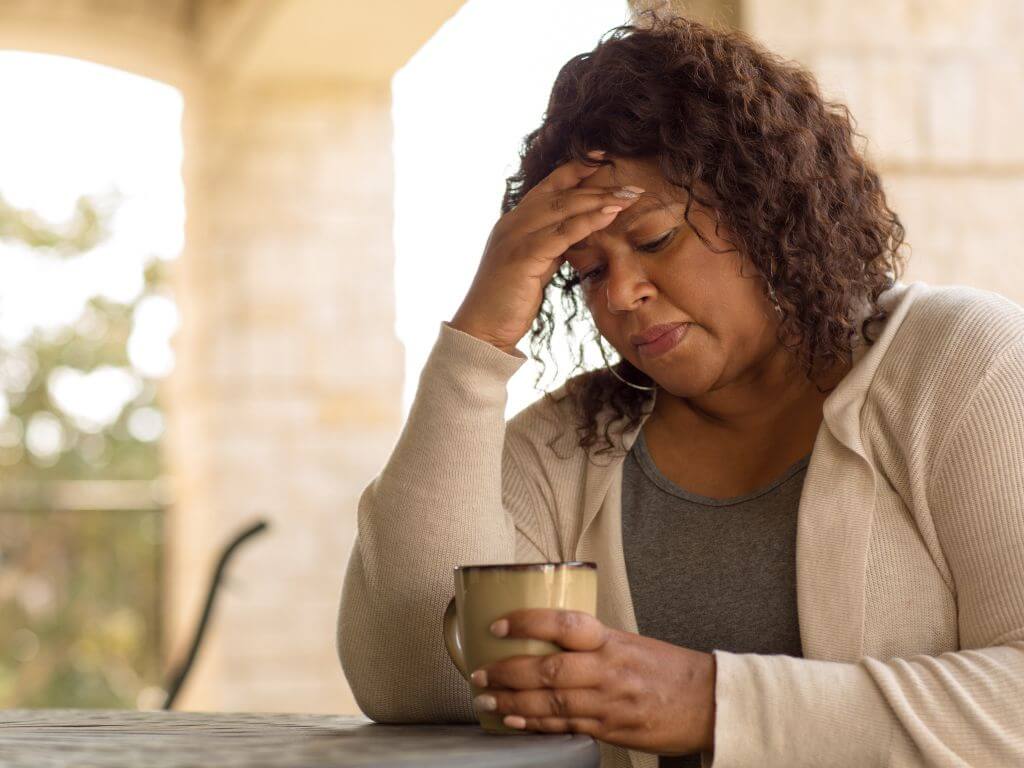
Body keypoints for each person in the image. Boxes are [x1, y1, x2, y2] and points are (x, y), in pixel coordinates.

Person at [337, 11, 1024, 768]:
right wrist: (477, 344)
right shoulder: (574, 446)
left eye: (656, 238)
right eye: (588, 271)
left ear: (767, 207)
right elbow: (415, 679)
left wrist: (714, 703)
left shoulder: (960, 367)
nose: (622, 294)